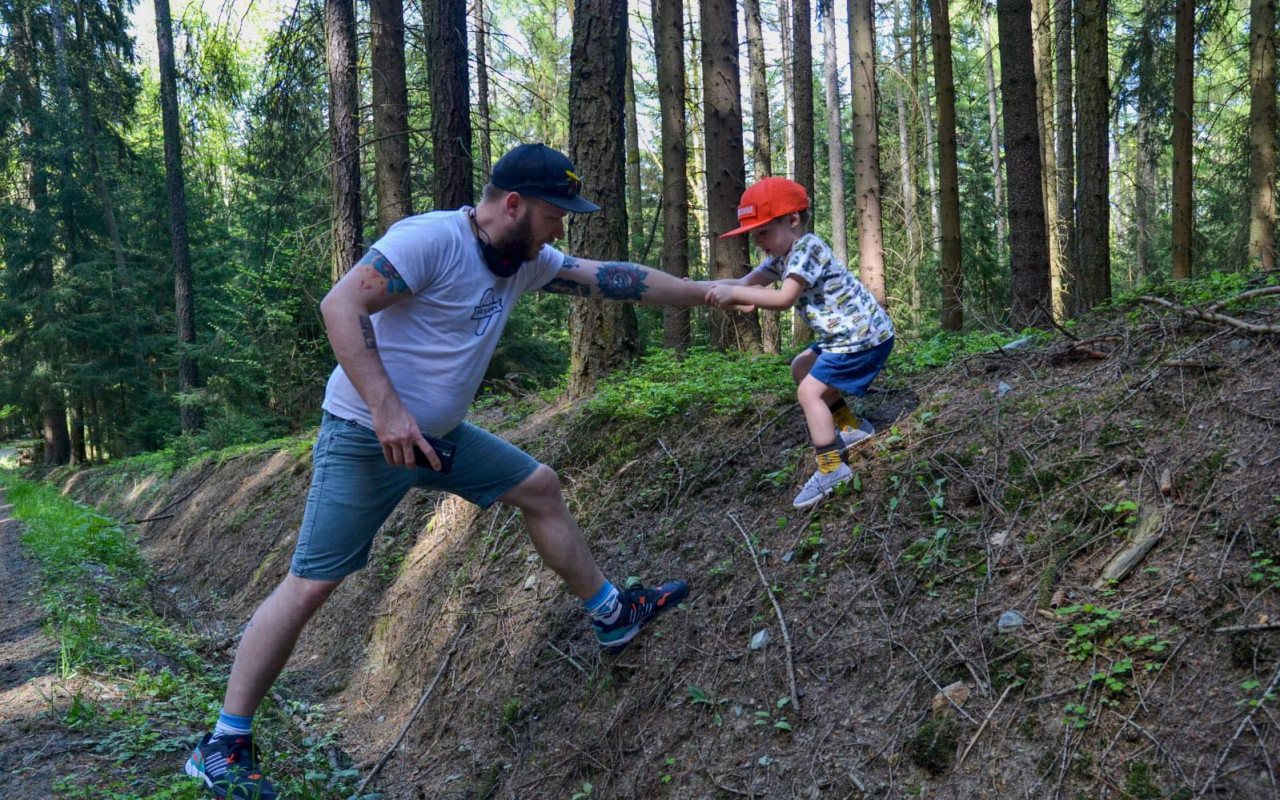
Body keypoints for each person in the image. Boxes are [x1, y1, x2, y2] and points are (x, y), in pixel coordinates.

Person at [185, 143, 705, 800]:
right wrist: (387, 410)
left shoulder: (524, 260)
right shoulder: (430, 241)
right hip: (365, 437)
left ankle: (611, 614)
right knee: (311, 585)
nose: (560, 231)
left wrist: (714, 293)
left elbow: (615, 277)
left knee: (539, 487)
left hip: (438, 439)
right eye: (554, 215)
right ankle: (224, 744)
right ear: (513, 204)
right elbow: (339, 306)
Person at [705, 177, 894, 511]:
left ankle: (832, 468)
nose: (758, 242)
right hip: (843, 337)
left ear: (792, 220)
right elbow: (746, 283)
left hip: (861, 337)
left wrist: (737, 295)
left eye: (763, 231)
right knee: (801, 367)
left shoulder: (807, 248)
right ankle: (851, 427)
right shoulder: (783, 256)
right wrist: (701, 288)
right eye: (754, 235)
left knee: (808, 392)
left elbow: (783, 298)